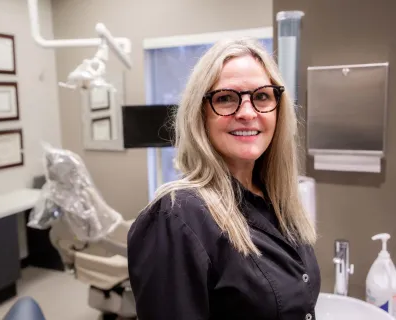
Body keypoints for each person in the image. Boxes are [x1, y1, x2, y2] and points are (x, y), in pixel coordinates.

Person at [127, 38, 321, 320]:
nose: (247, 112)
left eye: (262, 96)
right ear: (200, 114)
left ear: (279, 111)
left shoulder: (277, 201)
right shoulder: (176, 217)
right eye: (226, 98)